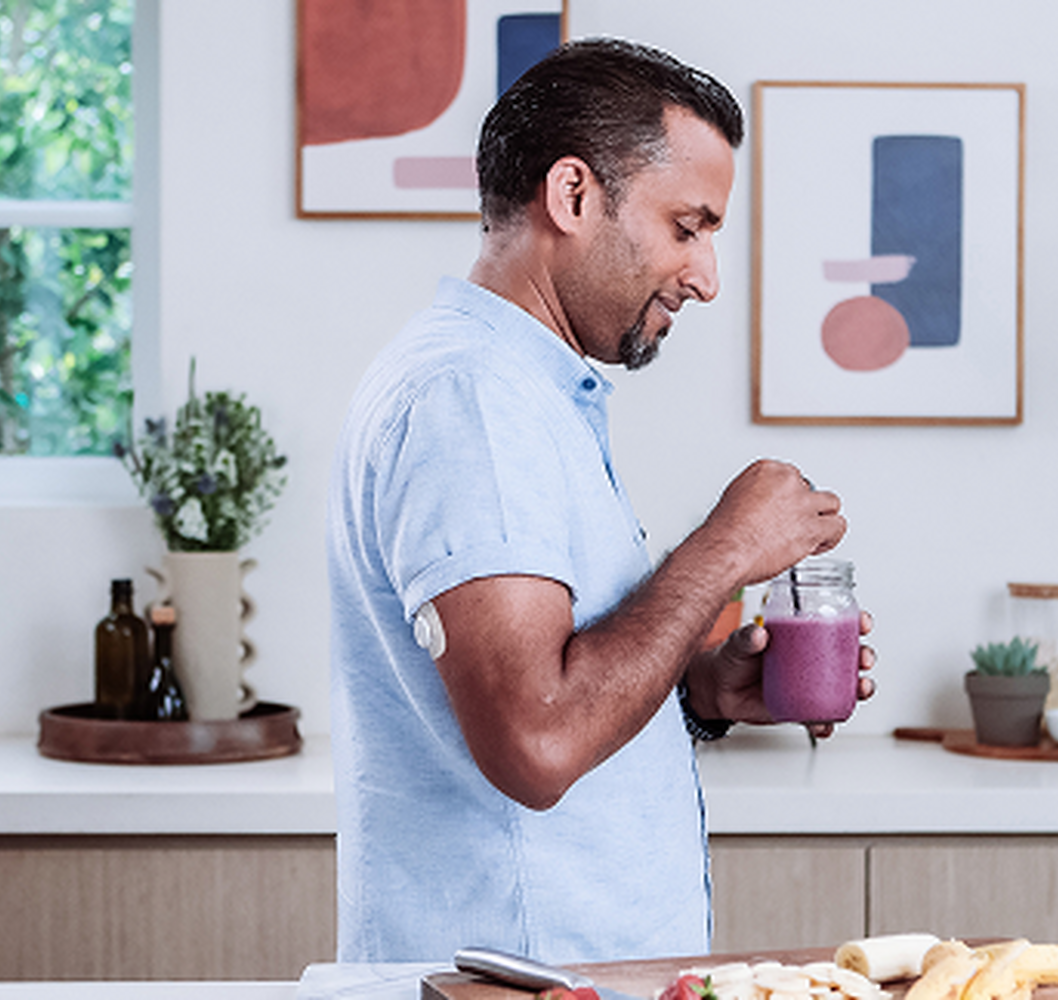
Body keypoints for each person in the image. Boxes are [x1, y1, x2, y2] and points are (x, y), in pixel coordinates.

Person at [327, 37, 875, 965]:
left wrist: (694, 695)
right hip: (513, 979)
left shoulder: (524, 395)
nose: (704, 277)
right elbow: (537, 741)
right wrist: (726, 550)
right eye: (687, 227)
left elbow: (552, 687)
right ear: (573, 196)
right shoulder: (473, 402)